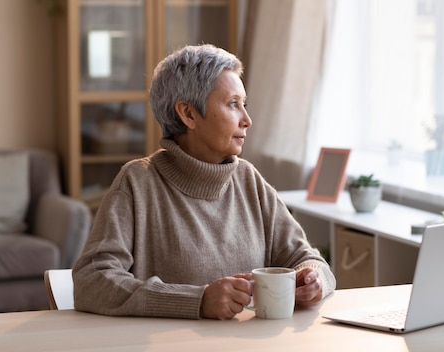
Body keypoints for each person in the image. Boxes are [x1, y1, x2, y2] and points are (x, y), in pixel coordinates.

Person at [72, 44, 336, 320]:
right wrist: (196, 301)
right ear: (188, 114)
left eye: (244, 104)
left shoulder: (248, 179)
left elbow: (308, 259)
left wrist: (313, 279)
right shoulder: (137, 183)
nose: (247, 119)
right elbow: (92, 281)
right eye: (233, 104)